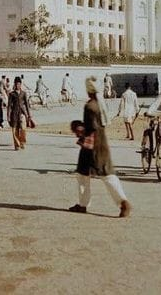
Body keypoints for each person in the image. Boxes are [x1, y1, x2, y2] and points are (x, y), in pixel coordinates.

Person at [69, 76, 131, 218]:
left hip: (90, 146)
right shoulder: (101, 104)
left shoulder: (90, 106)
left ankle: (83, 204)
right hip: (102, 144)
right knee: (108, 175)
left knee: (82, 175)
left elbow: (91, 127)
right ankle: (123, 203)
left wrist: (79, 127)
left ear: (88, 90)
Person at [7, 76, 32, 150]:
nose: (18, 85)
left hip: (22, 113)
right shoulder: (12, 94)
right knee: (15, 130)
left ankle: (22, 142)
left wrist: (29, 114)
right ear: (14, 84)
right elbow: (9, 106)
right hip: (14, 113)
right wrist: (8, 115)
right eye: (16, 84)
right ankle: (17, 145)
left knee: (23, 128)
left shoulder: (23, 93)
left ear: (21, 84)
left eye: (19, 84)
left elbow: (27, 104)